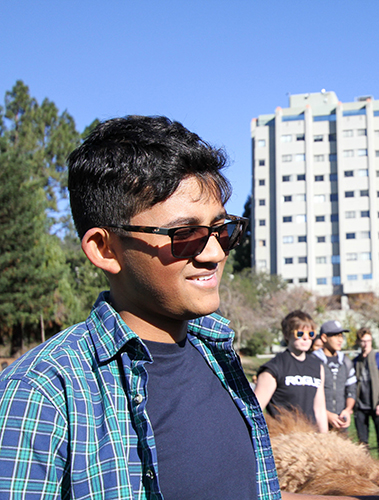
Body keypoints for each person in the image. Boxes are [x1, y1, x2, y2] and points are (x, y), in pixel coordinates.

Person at [0, 116, 278, 498]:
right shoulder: (42, 394)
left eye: (222, 229)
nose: (214, 253)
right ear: (104, 249)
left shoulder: (218, 355)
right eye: (186, 235)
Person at [254, 311, 328, 433]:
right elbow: (255, 410)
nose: (306, 338)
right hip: (283, 440)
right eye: (300, 333)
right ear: (287, 335)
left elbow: (319, 409)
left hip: (310, 438)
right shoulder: (274, 367)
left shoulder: (317, 366)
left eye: (310, 334)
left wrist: (325, 439)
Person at [353, 327, 379, 462]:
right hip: (360, 406)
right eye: (363, 341)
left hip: (377, 405)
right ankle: (366, 465)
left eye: (368, 341)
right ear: (358, 342)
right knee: (362, 441)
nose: (366, 344)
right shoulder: (355, 361)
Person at [312, 320, 356, 433]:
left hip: (341, 424)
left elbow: (351, 390)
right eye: (336, 336)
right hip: (317, 423)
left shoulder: (346, 362)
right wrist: (327, 415)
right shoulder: (312, 362)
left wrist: (347, 410)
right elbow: (308, 395)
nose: (340, 340)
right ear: (324, 338)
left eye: (341, 336)